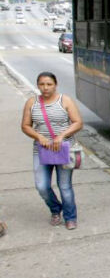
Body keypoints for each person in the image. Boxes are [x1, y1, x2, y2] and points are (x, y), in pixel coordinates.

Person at [20, 72, 83, 230]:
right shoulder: (31, 103)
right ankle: (56, 209)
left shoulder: (65, 100)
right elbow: (25, 126)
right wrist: (38, 136)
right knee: (41, 186)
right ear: (38, 85)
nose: (45, 87)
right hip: (41, 150)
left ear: (55, 85)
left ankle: (70, 217)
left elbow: (78, 123)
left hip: (63, 149)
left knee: (65, 186)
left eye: (49, 84)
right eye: (42, 84)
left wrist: (62, 136)